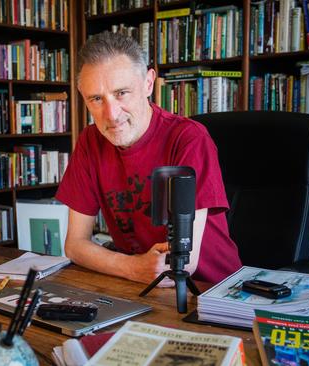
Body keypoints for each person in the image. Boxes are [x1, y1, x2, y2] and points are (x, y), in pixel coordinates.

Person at [55, 31, 241, 286]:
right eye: (96, 99)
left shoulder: (188, 139)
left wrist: (127, 267)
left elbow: (182, 263)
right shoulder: (90, 141)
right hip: (140, 287)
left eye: (121, 93)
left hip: (209, 293)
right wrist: (131, 267)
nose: (111, 114)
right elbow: (75, 245)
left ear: (148, 83)